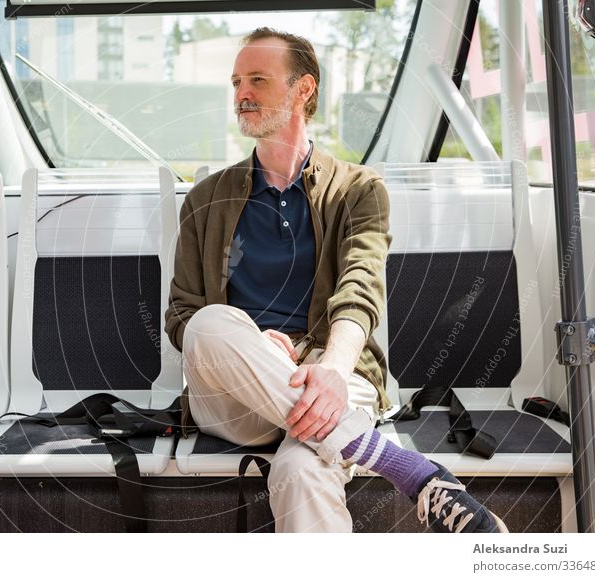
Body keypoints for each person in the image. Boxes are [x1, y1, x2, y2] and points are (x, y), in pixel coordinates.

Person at [164, 27, 507, 534]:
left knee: (302, 470)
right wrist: (255, 344)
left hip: (335, 377)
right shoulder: (206, 198)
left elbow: (361, 288)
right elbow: (181, 316)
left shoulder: (359, 189)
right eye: (237, 81)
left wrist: (329, 367)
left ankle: (349, 441)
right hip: (235, 396)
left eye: (258, 79)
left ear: (304, 89)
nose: (241, 94)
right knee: (211, 324)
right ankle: (407, 471)